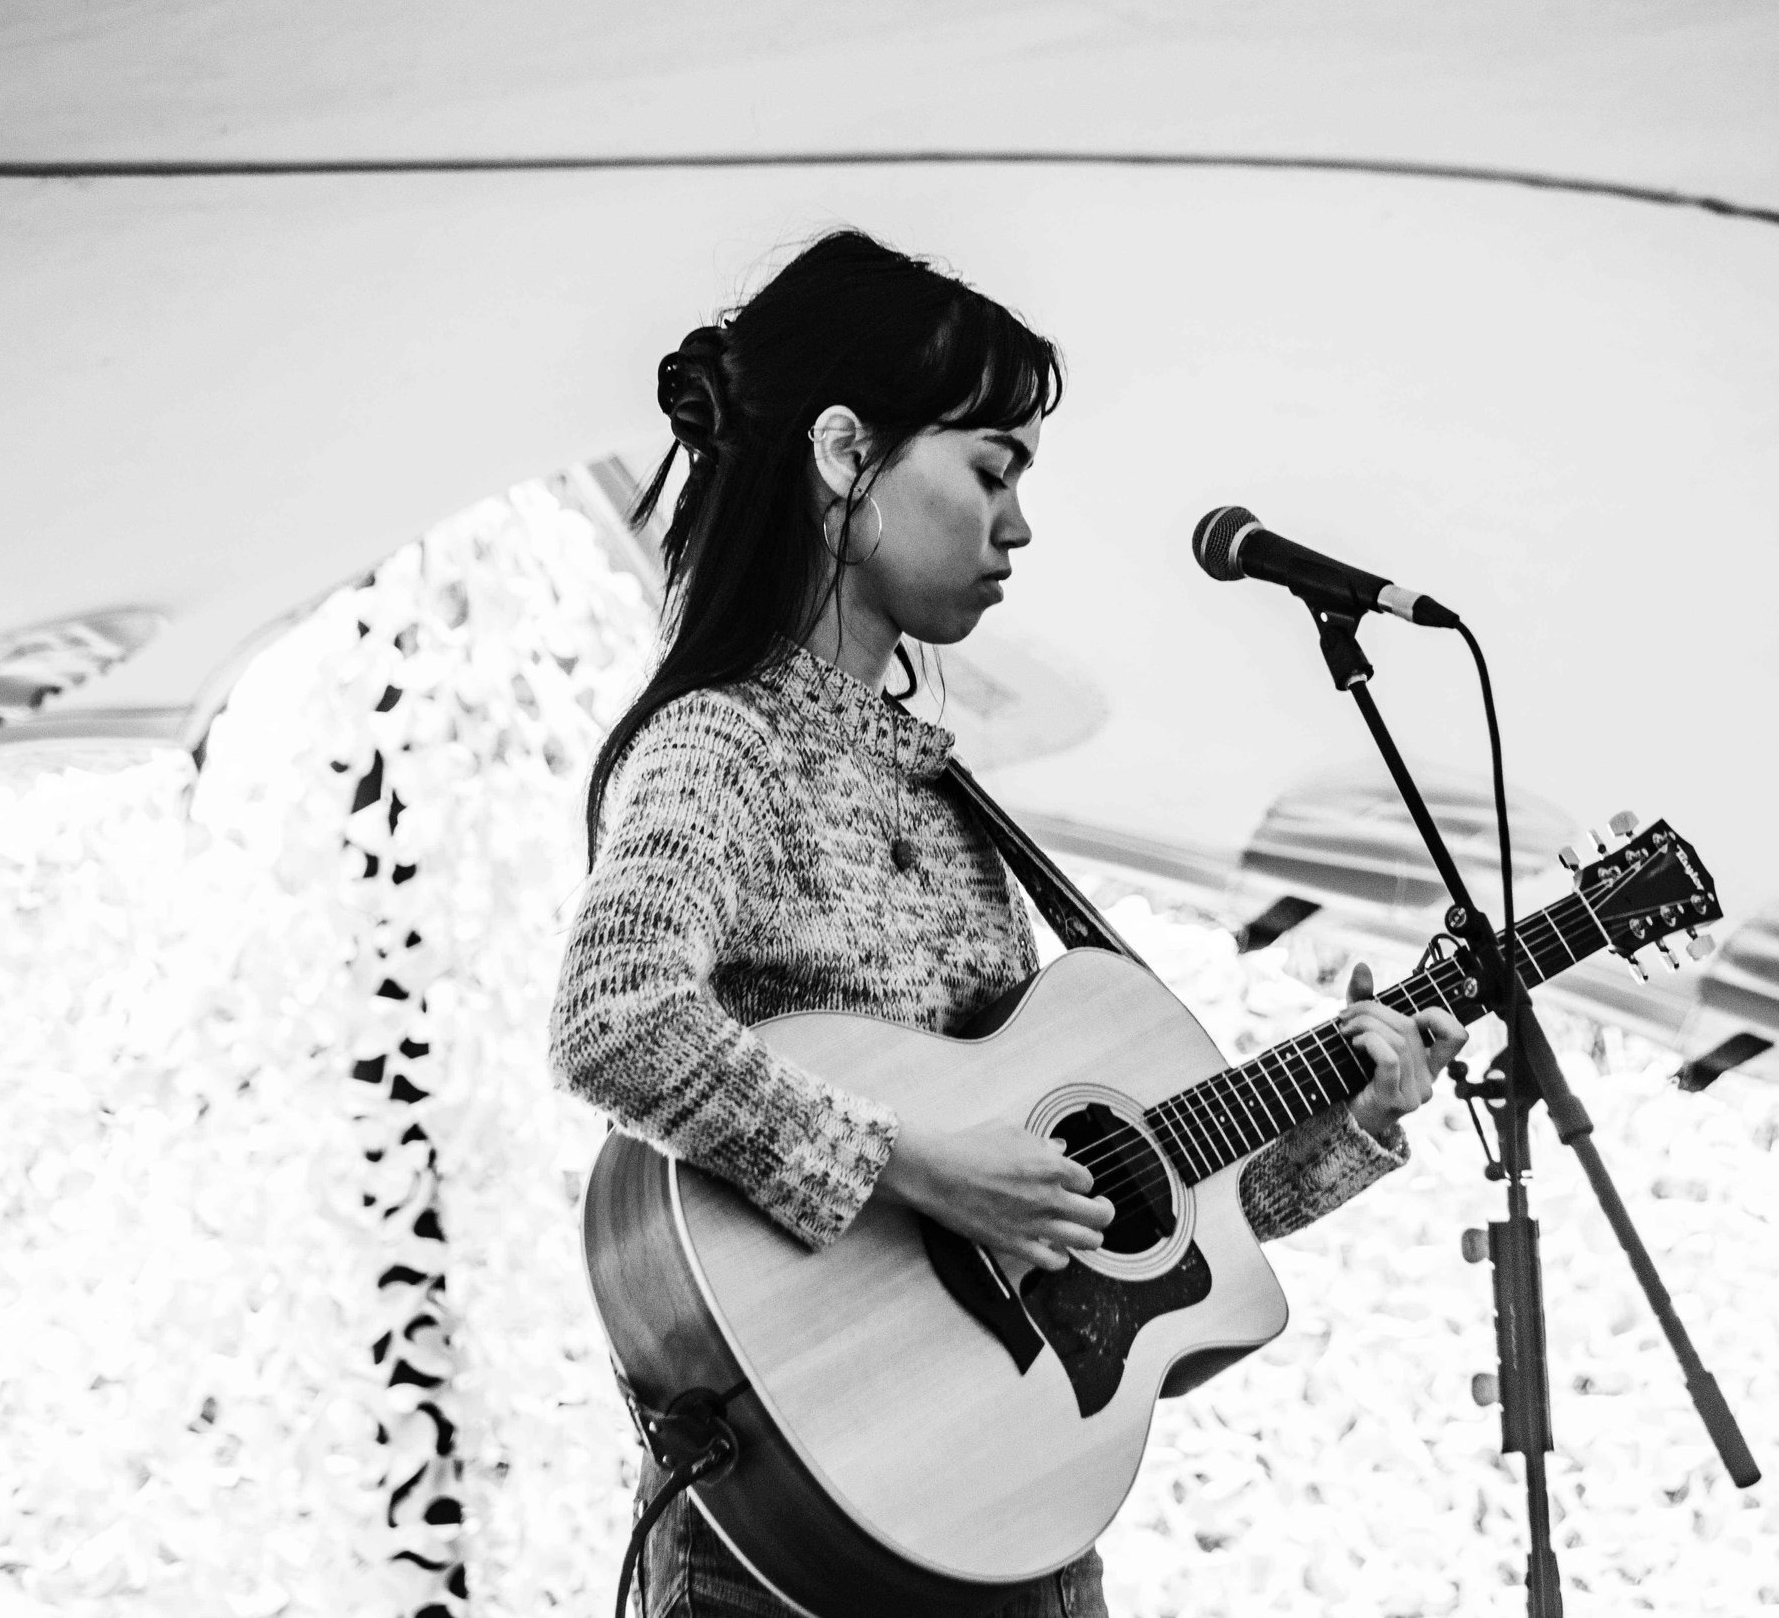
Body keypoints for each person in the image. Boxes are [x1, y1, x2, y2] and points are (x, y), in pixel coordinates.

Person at [550, 229, 1465, 1618]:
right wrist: (913, 1166)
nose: (1020, 525)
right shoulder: (721, 745)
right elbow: (614, 1024)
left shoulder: (935, 781)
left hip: (1010, 1534)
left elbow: (1132, 1234)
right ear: (846, 454)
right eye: (992, 469)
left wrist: (1356, 1111)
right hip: (786, 1566)